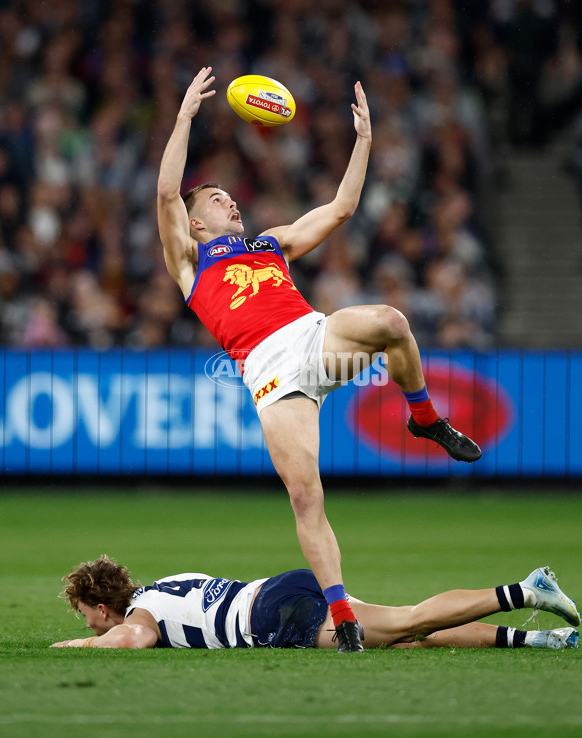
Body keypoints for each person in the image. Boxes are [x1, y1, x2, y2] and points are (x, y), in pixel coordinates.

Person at [156, 67, 482, 652]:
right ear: (195, 222)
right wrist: (183, 118)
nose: (229, 200)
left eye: (228, 194)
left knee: (389, 322)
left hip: (315, 340)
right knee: (306, 495)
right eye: (214, 198)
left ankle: (424, 417)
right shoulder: (188, 262)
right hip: (272, 376)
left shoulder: (266, 243)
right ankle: (343, 614)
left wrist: (363, 141)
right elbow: (163, 196)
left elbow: (340, 208)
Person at [51, 556, 580, 652]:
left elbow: (133, 637)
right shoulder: (167, 584)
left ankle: (528, 590)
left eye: (86, 619)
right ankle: (538, 637)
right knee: (406, 632)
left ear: (100, 608)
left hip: (276, 617)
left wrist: (66, 646)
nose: (90, 628)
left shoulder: (143, 616)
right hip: (279, 591)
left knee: (407, 622)